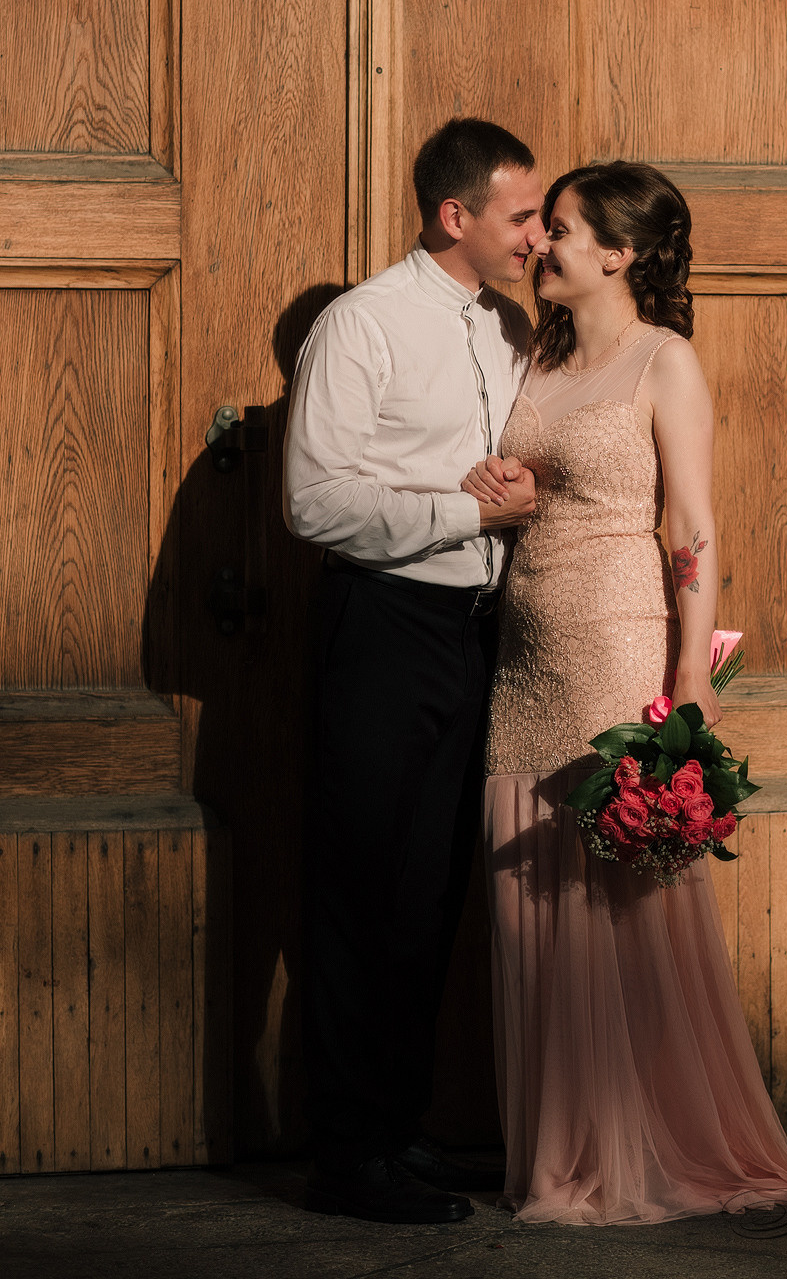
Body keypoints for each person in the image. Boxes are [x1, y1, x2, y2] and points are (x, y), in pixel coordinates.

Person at [462, 161, 787, 1225]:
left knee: (609, 900)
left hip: (617, 645)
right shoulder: (538, 356)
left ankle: (631, 1151)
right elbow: (531, 484)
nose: (540, 246)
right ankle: (559, 1152)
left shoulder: (665, 361)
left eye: (558, 230)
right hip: (521, 656)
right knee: (530, 909)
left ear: (615, 252)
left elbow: (691, 529)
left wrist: (690, 678)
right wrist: (501, 489)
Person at [283, 117, 544, 1224]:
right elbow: (314, 499)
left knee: (433, 891)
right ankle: (346, 1156)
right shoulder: (363, 325)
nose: (537, 234)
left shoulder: (512, 329)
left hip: (479, 634)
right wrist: (464, 510)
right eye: (522, 214)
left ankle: (398, 1131)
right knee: (363, 888)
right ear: (457, 216)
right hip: (385, 628)